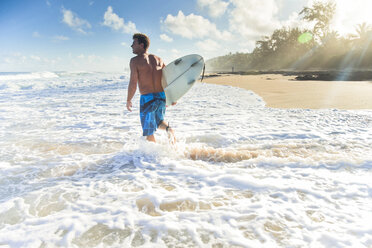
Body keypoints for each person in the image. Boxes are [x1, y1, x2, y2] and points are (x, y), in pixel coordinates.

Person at [126, 33, 176, 143]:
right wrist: (173, 96)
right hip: (161, 96)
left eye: (134, 43)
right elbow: (169, 78)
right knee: (159, 122)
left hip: (147, 98)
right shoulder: (158, 59)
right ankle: (169, 130)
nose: (131, 46)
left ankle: (152, 158)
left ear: (141, 45)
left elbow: (133, 82)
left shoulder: (135, 61)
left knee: (148, 131)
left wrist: (129, 99)